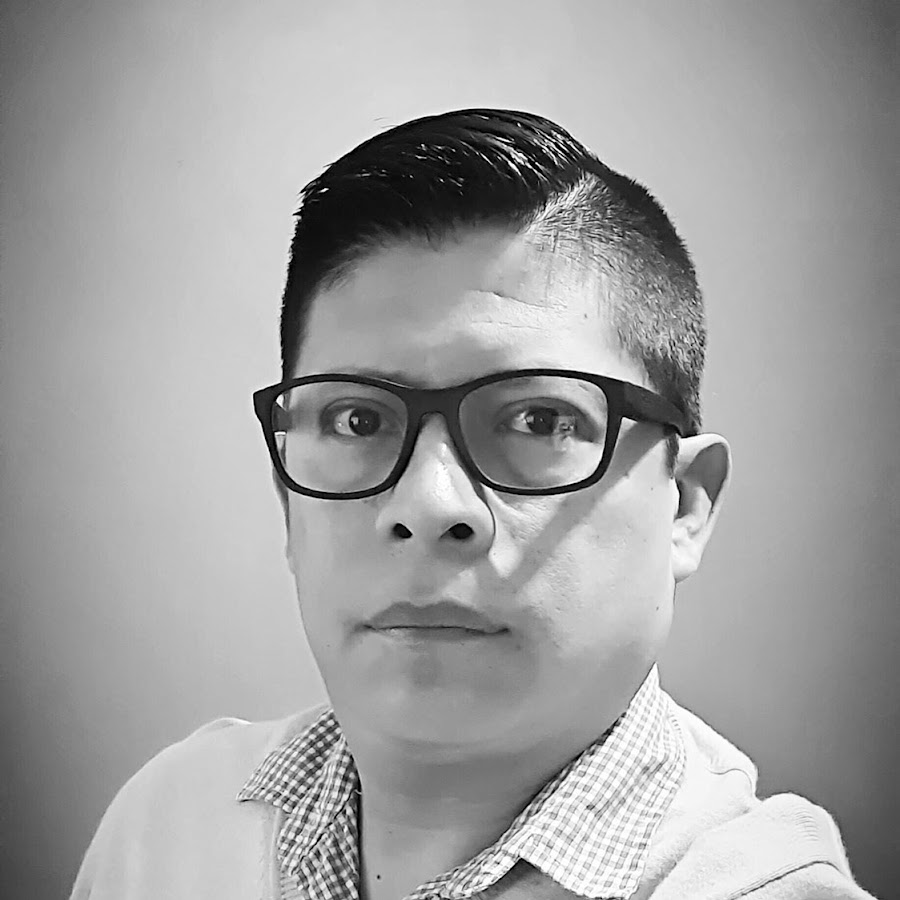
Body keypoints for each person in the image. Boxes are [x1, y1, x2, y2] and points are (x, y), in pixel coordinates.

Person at [71, 108, 876, 900]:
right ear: (288, 503)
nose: (427, 504)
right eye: (358, 421)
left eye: (539, 420)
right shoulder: (165, 828)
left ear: (685, 506)